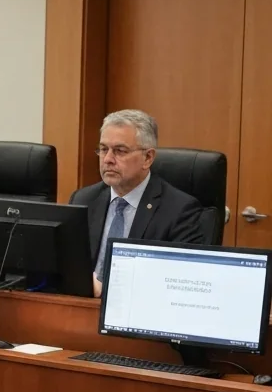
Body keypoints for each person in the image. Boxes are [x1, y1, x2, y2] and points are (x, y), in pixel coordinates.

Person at [70, 109, 207, 296]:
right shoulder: (84, 200)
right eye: (103, 149)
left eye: (120, 151)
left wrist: (106, 289)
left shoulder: (180, 211)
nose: (108, 159)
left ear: (148, 158)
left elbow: (179, 284)